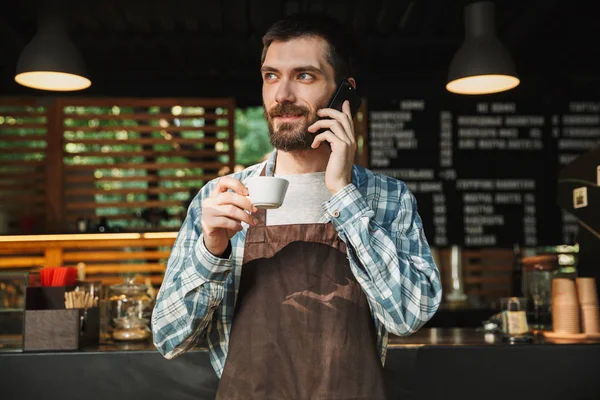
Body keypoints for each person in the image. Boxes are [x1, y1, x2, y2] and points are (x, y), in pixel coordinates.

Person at [152, 13, 442, 399]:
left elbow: (410, 316)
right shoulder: (223, 198)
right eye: (271, 76)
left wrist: (343, 194)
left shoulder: (387, 199)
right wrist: (211, 251)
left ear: (344, 93)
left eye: (304, 76)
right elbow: (169, 339)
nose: (282, 95)